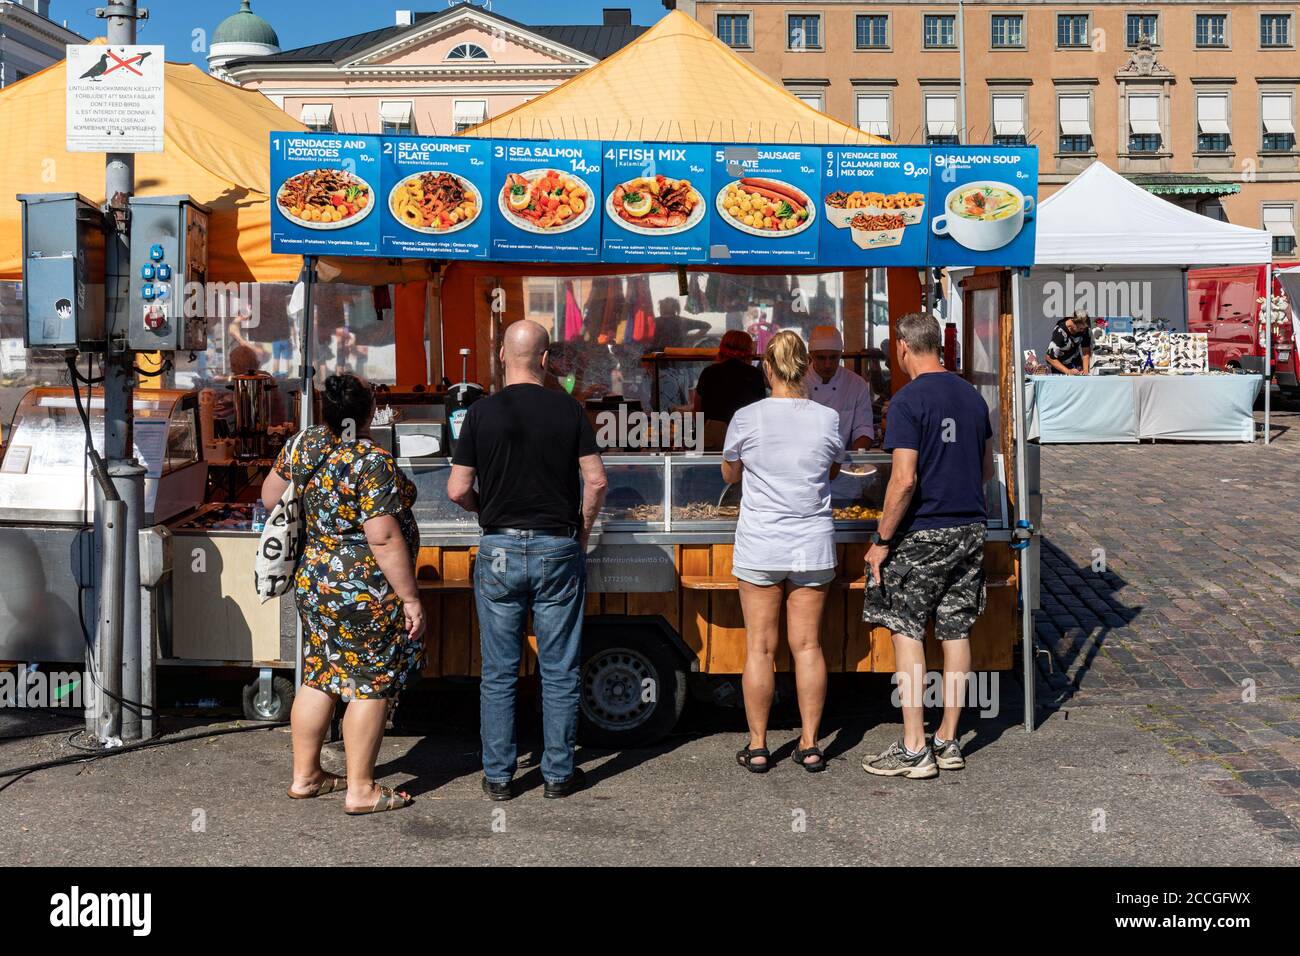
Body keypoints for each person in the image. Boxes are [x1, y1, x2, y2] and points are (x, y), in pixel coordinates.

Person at [447, 320, 608, 801]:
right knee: (559, 668)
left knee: (499, 670)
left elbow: (457, 489)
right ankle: (558, 774)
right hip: (557, 547)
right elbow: (596, 482)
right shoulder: (570, 410)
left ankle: (498, 777)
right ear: (545, 360)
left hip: (497, 549)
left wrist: (486, 513)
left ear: (501, 355)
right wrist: (582, 529)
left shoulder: (479, 413)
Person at [262, 372, 424, 814]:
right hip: (364, 588)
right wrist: (409, 597)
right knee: (370, 683)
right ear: (370, 411)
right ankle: (361, 789)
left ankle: (306, 777)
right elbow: (384, 537)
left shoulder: (304, 444)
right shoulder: (372, 460)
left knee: (320, 674)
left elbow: (270, 496)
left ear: (325, 409)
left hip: (315, 580)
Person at [861, 313, 994, 780]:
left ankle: (915, 747)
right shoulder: (972, 397)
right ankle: (948, 740)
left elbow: (903, 479)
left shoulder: (906, 401)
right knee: (956, 631)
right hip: (970, 527)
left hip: (922, 532)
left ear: (901, 346)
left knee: (907, 630)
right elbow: (986, 472)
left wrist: (880, 540)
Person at [723, 330, 844, 774]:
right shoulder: (827, 418)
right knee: (808, 645)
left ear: (767, 369)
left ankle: (758, 745)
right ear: (807, 367)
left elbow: (731, 475)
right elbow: (832, 469)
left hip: (761, 544)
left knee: (760, 648)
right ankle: (810, 744)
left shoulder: (747, 417)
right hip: (811, 544)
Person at [807, 324, 877, 449]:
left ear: (840, 354)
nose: (828, 364)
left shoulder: (856, 384)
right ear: (811, 355)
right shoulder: (798, 383)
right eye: (821, 358)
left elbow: (863, 427)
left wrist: (855, 460)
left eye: (833, 357)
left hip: (844, 460)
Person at [693, 330, 766, 449]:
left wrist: (700, 434)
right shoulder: (755, 375)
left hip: (712, 440)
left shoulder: (709, 372)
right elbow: (759, 411)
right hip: (744, 439)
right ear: (748, 351)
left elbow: (697, 411)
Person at [1045, 308, 1092, 375]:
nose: (1082, 331)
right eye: (1080, 328)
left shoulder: (1085, 329)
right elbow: (1049, 357)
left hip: (1076, 365)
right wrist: (1068, 371)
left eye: (1084, 328)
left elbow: (1086, 351)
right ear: (1073, 323)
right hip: (1059, 367)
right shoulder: (1060, 331)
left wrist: (1085, 370)